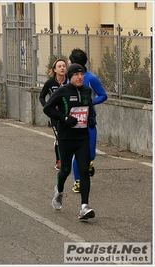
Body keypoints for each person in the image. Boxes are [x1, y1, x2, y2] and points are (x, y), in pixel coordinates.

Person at [43, 63, 96, 220]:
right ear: (70, 76)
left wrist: (91, 118)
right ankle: (59, 191)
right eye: (76, 75)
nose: (80, 77)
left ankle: (84, 207)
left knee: (84, 170)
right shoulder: (62, 91)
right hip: (66, 138)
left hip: (82, 137)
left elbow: (89, 107)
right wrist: (64, 118)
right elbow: (48, 108)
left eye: (82, 74)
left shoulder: (87, 91)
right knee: (65, 170)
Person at [68, 48, 108, 193]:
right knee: (78, 153)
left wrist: (91, 103)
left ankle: (89, 162)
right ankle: (77, 181)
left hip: (89, 121)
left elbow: (103, 95)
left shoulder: (91, 78)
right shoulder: (68, 77)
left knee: (90, 154)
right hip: (73, 122)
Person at [39, 59, 67, 171]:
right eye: (59, 66)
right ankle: (59, 161)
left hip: (67, 114)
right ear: (55, 69)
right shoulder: (50, 83)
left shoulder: (69, 82)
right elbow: (41, 96)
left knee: (66, 138)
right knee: (59, 137)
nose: (62, 68)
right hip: (55, 115)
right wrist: (47, 107)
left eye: (64, 66)